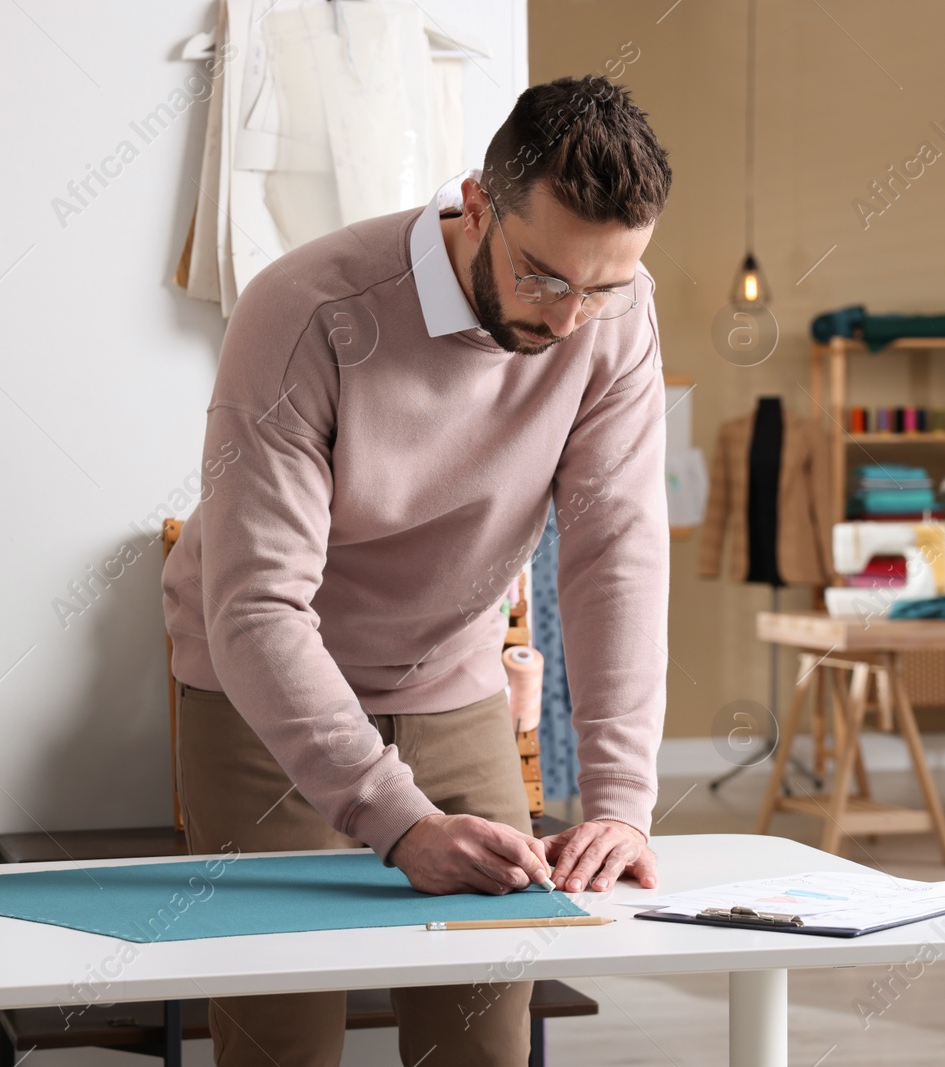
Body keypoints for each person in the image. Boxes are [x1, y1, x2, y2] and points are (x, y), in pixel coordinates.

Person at [162, 74, 673, 1066]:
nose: (570, 321)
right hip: (258, 703)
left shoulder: (615, 315)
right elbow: (259, 604)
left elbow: (617, 555)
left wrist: (619, 800)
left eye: (602, 287)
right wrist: (398, 823)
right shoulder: (306, 310)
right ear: (478, 202)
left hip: (452, 684)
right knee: (285, 1042)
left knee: (482, 1038)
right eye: (543, 278)